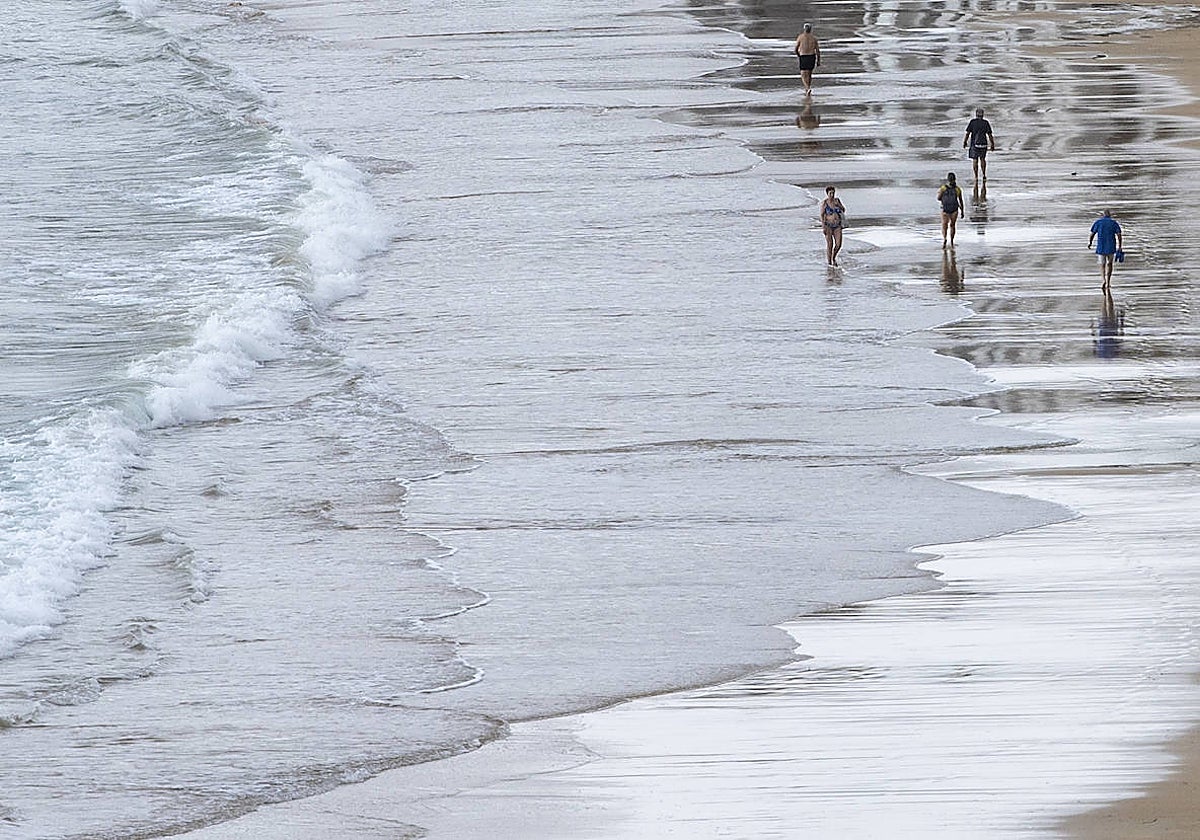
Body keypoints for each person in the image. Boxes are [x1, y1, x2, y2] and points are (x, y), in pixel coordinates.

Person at [1088, 209, 1123, 289]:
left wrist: (1090, 242)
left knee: (1102, 265)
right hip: (1111, 247)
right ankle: (1108, 282)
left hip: (1101, 247)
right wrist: (1120, 246)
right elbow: (1119, 235)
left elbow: (1092, 234)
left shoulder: (1098, 222)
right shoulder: (1114, 223)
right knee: (1110, 264)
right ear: (1110, 215)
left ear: (1103, 215)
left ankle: (1103, 279)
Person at [962, 108, 996, 181]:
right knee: (983, 159)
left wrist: (965, 142)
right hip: (983, 144)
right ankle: (984, 174)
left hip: (975, 144)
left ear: (976, 114)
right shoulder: (986, 123)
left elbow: (968, 133)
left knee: (975, 160)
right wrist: (992, 144)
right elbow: (990, 134)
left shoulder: (972, 122)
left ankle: (976, 176)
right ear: (983, 115)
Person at [819, 185, 846, 266]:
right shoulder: (825, 203)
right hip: (828, 225)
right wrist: (823, 226)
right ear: (827, 194)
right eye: (830, 193)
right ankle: (829, 262)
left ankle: (833, 257)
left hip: (837, 225)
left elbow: (843, 210)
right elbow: (822, 215)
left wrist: (839, 205)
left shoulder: (837, 201)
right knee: (830, 245)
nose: (832, 195)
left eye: (833, 193)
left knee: (838, 244)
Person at [937, 172, 964, 248]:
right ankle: (952, 241)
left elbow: (938, 198)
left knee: (944, 225)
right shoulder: (958, 189)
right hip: (954, 209)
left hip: (945, 209)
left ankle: (945, 238)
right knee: (952, 225)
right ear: (955, 179)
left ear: (948, 179)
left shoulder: (943, 188)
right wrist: (962, 211)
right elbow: (961, 200)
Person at [794, 24, 821, 95]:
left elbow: (796, 49)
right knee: (809, 74)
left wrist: (799, 55)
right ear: (811, 29)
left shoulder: (800, 37)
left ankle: (807, 88)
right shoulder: (814, 38)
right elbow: (817, 51)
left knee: (803, 74)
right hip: (812, 56)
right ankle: (807, 89)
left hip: (804, 56)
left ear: (804, 29)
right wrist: (818, 60)